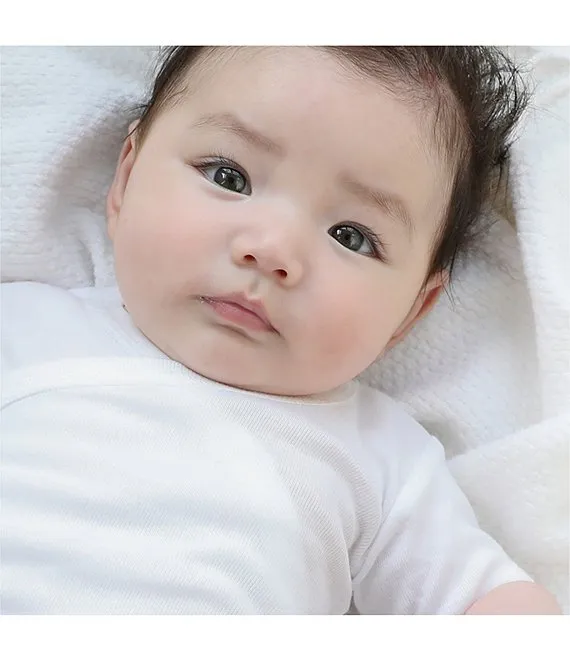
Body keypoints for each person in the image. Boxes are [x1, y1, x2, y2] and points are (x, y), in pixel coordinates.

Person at [1, 46, 561, 614]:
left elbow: (482, 598)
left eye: (351, 236)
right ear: (126, 179)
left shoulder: (381, 454)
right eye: (229, 177)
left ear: (411, 313)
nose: (272, 250)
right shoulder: (28, 325)